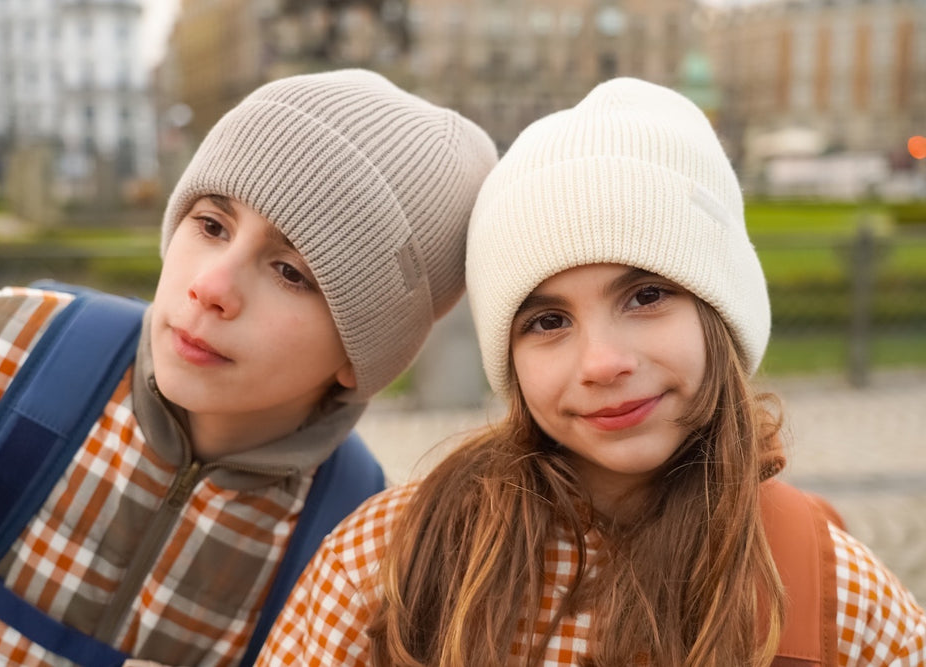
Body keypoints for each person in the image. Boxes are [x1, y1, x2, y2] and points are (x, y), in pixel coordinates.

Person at [257, 78, 926, 666]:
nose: (604, 363)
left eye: (646, 296)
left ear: (718, 311)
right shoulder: (389, 559)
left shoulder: (836, 594)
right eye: (548, 322)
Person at [0, 69, 497, 665]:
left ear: (363, 355)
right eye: (211, 225)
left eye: (291, 273)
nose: (212, 285)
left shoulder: (360, 558)